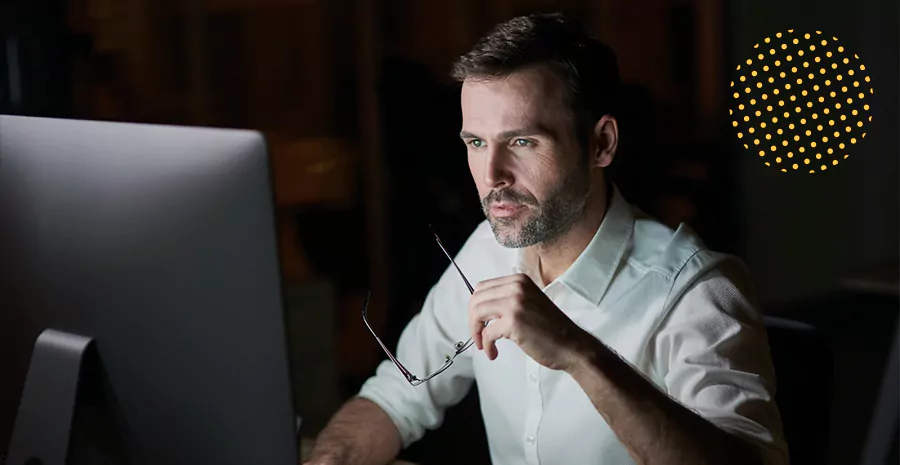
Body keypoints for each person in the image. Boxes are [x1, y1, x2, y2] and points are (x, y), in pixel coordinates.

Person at [305, 12, 788, 465]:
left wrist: (576, 351)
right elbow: (394, 398)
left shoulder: (695, 289)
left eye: (522, 142)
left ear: (601, 144)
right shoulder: (485, 253)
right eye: (476, 142)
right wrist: (330, 458)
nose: (491, 174)